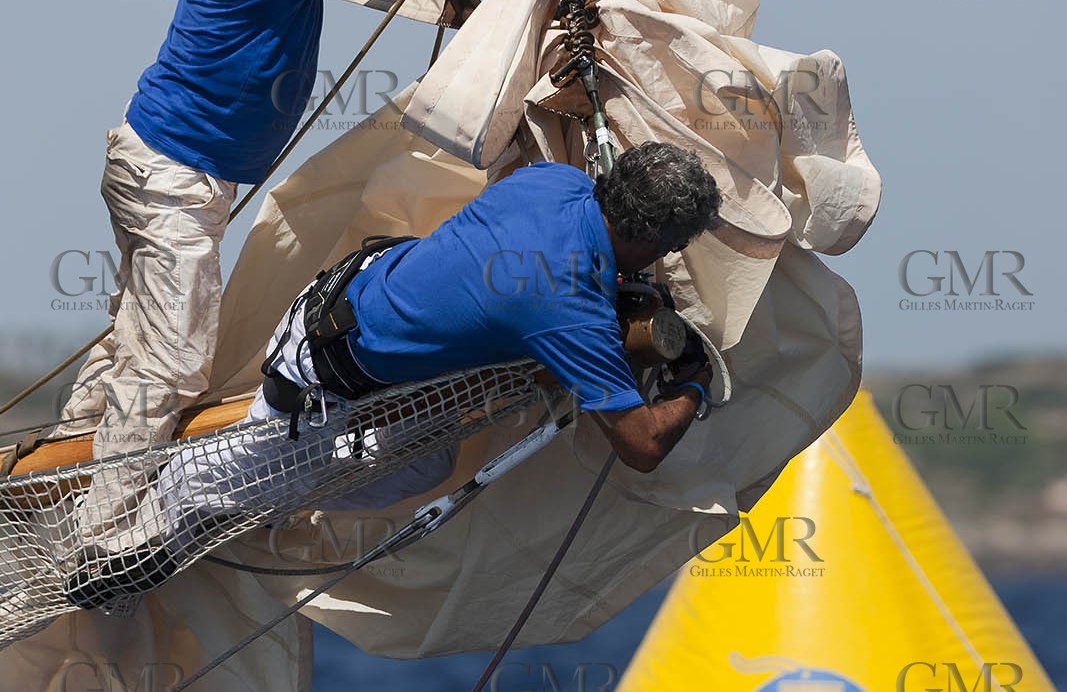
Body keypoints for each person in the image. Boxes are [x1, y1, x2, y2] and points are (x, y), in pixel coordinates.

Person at [56, 0, 561, 464]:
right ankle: (104, 538)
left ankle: (60, 465)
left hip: (164, 162)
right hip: (169, 177)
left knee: (135, 340)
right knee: (170, 364)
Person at [65, 142, 722, 607]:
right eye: (671, 246)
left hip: (344, 293)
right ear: (654, 237)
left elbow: (536, 260)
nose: (670, 257)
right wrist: (694, 382)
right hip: (319, 376)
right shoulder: (567, 312)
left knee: (422, 470)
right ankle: (118, 542)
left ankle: (267, 500)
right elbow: (640, 448)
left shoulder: (552, 181)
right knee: (208, 489)